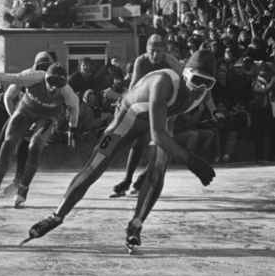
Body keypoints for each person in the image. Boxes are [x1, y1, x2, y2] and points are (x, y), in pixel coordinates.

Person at [20, 50, 218, 249]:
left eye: (208, 83)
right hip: (128, 115)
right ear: (186, 74)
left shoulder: (201, 94)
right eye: (197, 80)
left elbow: (168, 118)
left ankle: (136, 225)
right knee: (95, 167)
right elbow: (158, 134)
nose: (201, 88)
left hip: (155, 120)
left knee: (158, 169)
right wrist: (191, 160)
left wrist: (169, 153)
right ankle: (56, 216)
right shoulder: (164, 83)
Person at [0, 63, 79, 208]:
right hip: (26, 110)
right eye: (51, 82)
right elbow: (3, 78)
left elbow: (74, 109)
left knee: (36, 144)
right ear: (44, 77)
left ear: (65, 83)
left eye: (60, 84)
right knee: (8, 142)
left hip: (48, 116)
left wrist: (72, 130)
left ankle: (23, 188)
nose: (54, 88)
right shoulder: (32, 77)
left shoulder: (68, 93)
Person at [111, 34, 184, 197]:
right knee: (138, 142)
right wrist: (123, 103)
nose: (155, 55)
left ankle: (142, 179)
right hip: (145, 106)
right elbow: (133, 86)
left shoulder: (171, 61)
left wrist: (173, 115)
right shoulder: (141, 61)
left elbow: (184, 86)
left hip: (167, 107)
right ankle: (127, 180)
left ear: (164, 50)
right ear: (147, 50)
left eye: (159, 51)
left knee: (162, 146)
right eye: (152, 51)